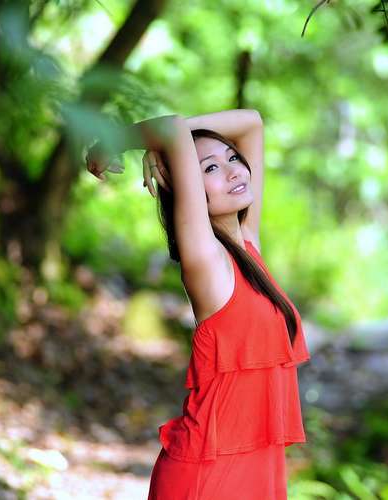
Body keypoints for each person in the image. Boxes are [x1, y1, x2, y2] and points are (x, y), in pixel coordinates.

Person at [86, 109, 311, 499]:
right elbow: (172, 128)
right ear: (186, 186)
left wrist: (169, 150)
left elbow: (252, 123)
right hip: (207, 475)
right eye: (209, 168)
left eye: (233, 158)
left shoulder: (248, 247)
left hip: (256, 469)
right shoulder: (207, 259)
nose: (234, 171)